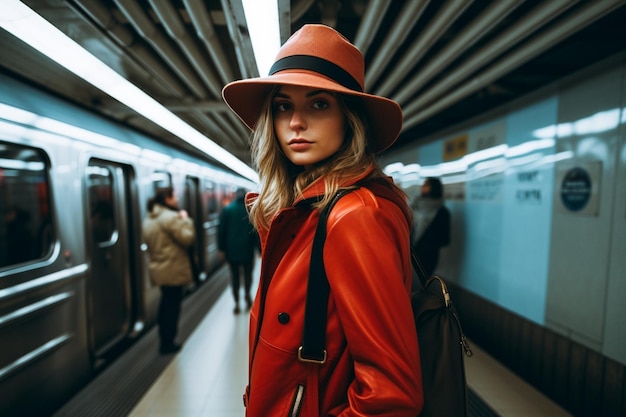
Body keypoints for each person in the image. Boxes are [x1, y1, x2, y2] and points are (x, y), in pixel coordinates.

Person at [222, 24, 423, 416]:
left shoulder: (354, 216)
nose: (296, 122)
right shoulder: (305, 209)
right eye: (283, 105)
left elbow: (392, 395)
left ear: (350, 119)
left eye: (318, 104)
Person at [142, 187, 195, 355]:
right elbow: (188, 238)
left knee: (165, 303)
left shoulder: (149, 219)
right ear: (166, 199)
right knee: (172, 306)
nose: (177, 199)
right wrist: (186, 220)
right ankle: (168, 343)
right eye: (175, 196)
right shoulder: (170, 218)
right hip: (172, 267)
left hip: (159, 267)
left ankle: (164, 339)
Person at [217, 188, 258, 314]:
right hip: (247, 249)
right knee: (248, 274)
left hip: (232, 250)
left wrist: (221, 249)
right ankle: (247, 293)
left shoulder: (227, 210)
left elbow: (221, 231)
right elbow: (256, 231)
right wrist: (259, 248)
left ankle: (236, 302)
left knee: (234, 276)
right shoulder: (250, 210)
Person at [411, 177, 451, 278]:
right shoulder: (415, 206)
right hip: (410, 252)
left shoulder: (442, 212)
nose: (422, 187)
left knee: (422, 283)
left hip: (427, 256)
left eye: (426, 185)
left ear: (434, 188)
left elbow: (445, 239)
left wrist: (429, 244)